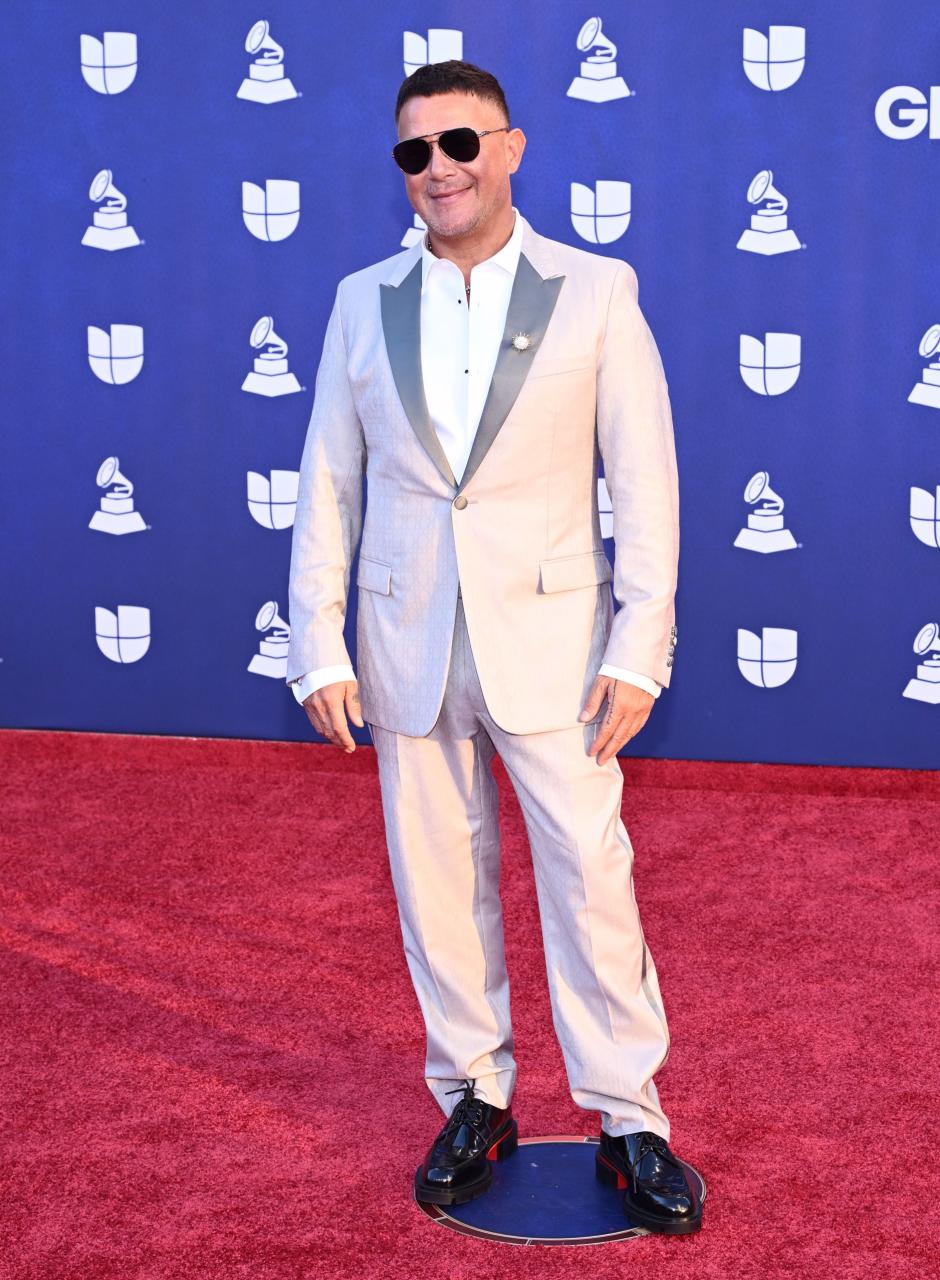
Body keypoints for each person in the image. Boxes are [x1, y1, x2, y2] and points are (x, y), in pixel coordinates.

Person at [286, 59, 700, 1235]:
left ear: (510, 147)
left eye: (459, 143)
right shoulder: (361, 297)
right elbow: (329, 474)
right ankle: (473, 1097)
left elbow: (647, 481)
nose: (439, 170)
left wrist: (641, 645)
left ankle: (627, 1114)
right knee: (435, 882)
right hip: (406, 631)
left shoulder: (596, 289)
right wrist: (318, 643)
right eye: (414, 152)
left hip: (559, 641)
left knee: (589, 875)